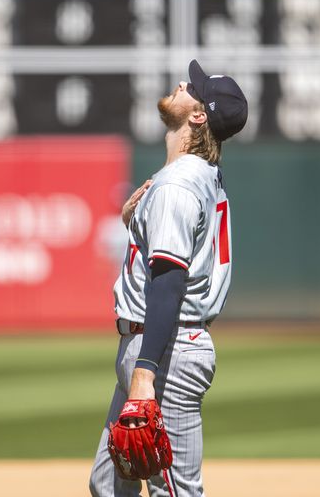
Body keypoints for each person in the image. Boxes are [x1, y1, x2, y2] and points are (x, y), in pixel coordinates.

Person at [89, 59, 248, 497]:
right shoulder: (199, 176)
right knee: (107, 485)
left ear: (198, 116)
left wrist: (145, 373)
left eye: (191, 88)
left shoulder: (177, 184)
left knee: (175, 492)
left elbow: (170, 282)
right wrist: (137, 227)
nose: (181, 83)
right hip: (157, 346)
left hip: (167, 352)